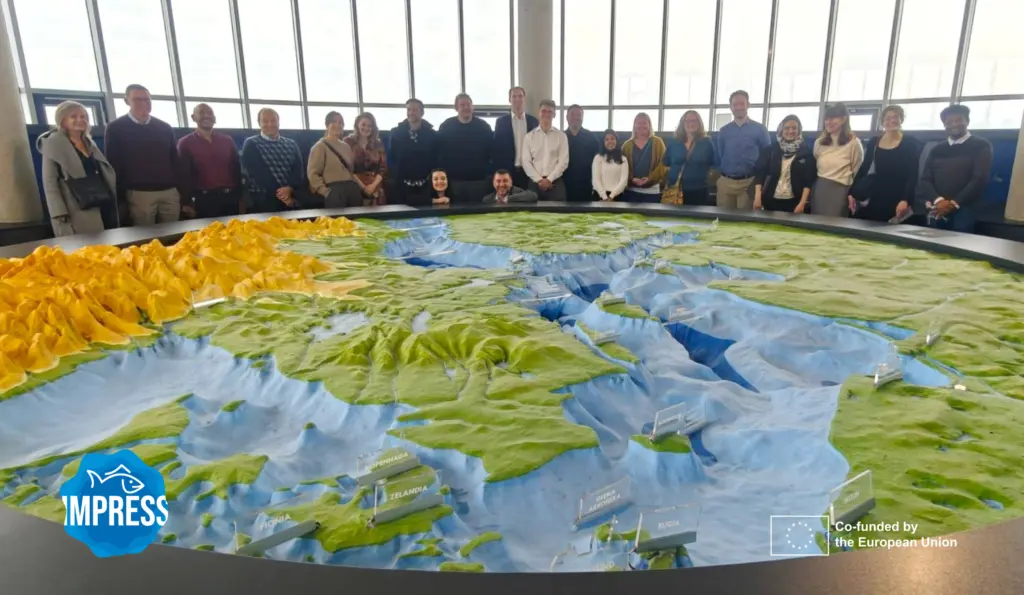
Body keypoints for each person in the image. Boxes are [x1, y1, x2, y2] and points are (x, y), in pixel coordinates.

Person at [104, 84, 187, 225]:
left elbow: (175, 160)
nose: (144, 103)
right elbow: (113, 164)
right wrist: (121, 198)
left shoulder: (164, 127)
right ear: (127, 101)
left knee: (175, 234)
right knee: (145, 235)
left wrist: (181, 192)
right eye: (138, 99)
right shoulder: (115, 128)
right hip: (139, 194)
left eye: (147, 99)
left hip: (169, 192)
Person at [38, 100, 119, 236]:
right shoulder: (53, 143)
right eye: (73, 116)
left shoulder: (89, 142)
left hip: (101, 201)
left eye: (83, 116)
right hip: (75, 207)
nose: (80, 120)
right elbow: (50, 182)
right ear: (62, 120)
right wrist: (58, 212)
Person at [916, 104, 993, 233]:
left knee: (961, 243)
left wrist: (953, 204)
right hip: (937, 207)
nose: (954, 124)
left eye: (958, 120)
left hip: (965, 210)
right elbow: (925, 179)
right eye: (949, 122)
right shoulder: (937, 149)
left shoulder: (981, 145)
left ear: (967, 121)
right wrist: (939, 201)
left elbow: (979, 179)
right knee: (933, 243)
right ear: (944, 125)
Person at [850, 105, 921, 223]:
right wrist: (852, 192)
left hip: (899, 196)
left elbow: (912, 174)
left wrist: (905, 200)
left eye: (895, 117)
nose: (891, 121)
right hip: (876, 194)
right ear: (882, 121)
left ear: (901, 120)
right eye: (888, 118)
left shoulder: (910, 143)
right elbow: (864, 168)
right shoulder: (874, 141)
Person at [177, 103, 243, 219]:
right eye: (202, 112)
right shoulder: (185, 143)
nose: (207, 116)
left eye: (210, 113)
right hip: (203, 201)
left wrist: (241, 198)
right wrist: (186, 203)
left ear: (215, 118)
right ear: (193, 117)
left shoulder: (227, 141)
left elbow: (237, 170)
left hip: (230, 199)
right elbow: (182, 176)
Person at [240, 107, 305, 213]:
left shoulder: (291, 144)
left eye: (273, 120)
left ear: (279, 122)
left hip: (290, 199)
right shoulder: (251, 143)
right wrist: (282, 195)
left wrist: (289, 188)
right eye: (265, 121)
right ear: (259, 123)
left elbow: (298, 171)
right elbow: (257, 173)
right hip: (263, 201)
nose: (270, 124)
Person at [715, 90, 771, 209]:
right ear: (731, 107)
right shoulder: (724, 131)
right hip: (726, 183)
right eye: (735, 104)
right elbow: (721, 154)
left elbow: (766, 156)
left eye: (742, 104)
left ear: (748, 105)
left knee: (745, 219)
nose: (739, 107)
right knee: (723, 218)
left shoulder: (760, 129)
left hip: (749, 183)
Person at [753, 115, 817, 213]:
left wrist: (802, 203)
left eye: (794, 128)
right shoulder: (771, 150)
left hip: (794, 201)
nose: (790, 131)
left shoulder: (806, 152)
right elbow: (760, 173)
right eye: (787, 128)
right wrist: (757, 197)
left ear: (799, 130)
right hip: (770, 200)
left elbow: (808, 180)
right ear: (781, 130)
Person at [437, 93, 494, 203]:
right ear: (456, 108)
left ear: (473, 107)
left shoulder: (484, 127)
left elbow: (491, 152)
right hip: (454, 182)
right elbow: (440, 153)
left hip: (479, 182)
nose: (466, 107)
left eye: (468, 104)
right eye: (462, 105)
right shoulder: (446, 127)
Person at [812, 103, 864, 217]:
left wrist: (853, 193)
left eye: (833, 118)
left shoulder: (854, 143)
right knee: (816, 221)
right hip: (820, 188)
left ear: (844, 119)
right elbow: (816, 162)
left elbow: (857, 170)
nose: (829, 122)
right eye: (827, 119)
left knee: (835, 222)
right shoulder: (819, 142)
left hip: (841, 189)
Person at [389, 98, 439, 206]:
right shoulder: (396, 133)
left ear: (422, 113)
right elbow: (392, 156)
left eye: (415, 110)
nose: (411, 112)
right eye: (409, 110)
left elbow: (436, 158)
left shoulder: (432, 135)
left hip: (426, 185)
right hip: (402, 186)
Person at [308, 111, 362, 208]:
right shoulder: (319, 146)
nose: (337, 125)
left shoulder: (346, 147)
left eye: (340, 122)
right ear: (327, 125)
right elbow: (313, 174)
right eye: (334, 122)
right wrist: (326, 192)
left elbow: (351, 171)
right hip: (334, 191)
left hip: (352, 189)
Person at [662, 110, 717, 206]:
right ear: (682, 123)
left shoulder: (706, 143)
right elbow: (666, 162)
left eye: (694, 121)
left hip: (699, 189)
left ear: (699, 123)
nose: (690, 123)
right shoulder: (674, 142)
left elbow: (714, 163)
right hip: (675, 189)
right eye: (687, 121)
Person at [522, 99, 569, 201]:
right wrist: (539, 180)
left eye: (550, 112)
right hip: (534, 183)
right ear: (539, 113)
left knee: (559, 210)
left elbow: (564, 162)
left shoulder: (561, 136)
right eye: (543, 111)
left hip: (555, 182)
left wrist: (549, 179)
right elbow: (526, 162)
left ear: (554, 115)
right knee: (531, 211)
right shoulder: (529, 137)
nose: (546, 114)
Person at [492, 86, 537, 188]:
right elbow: (497, 149)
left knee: (529, 197)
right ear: (509, 99)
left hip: (529, 172)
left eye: (520, 96)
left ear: (524, 99)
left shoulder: (533, 121)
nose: (517, 99)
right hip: (508, 172)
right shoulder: (501, 122)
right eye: (514, 96)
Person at [344, 112, 388, 206]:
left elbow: (383, 168)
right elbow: (347, 168)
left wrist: (373, 186)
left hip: (375, 186)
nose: (366, 128)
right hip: (355, 184)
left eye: (369, 126)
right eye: (363, 124)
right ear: (357, 125)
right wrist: (363, 188)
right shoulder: (348, 142)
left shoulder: (378, 143)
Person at [621, 113, 667, 203]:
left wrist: (650, 178)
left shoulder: (658, 142)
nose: (641, 125)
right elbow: (622, 166)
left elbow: (664, 164)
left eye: (644, 123)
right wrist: (632, 179)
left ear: (649, 125)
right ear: (634, 126)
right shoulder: (627, 145)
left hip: (652, 191)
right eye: (638, 123)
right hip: (631, 191)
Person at [564, 105, 600, 201]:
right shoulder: (561, 137)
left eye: (579, 115)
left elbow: (598, 162)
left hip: (587, 185)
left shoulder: (591, 137)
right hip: (565, 186)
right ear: (567, 117)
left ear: (582, 118)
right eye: (572, 115)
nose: (576, 117)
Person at [591, 129, 629, 201]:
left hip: (617, 197)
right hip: (599, 197)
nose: (610, 141)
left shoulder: (623, 159)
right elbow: (596, 180)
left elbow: (624, 181)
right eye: (607, 139)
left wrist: (611, 196)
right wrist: (604, 197)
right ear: (603, 142)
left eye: (612, 139)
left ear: (616, 141)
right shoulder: (598, 158)